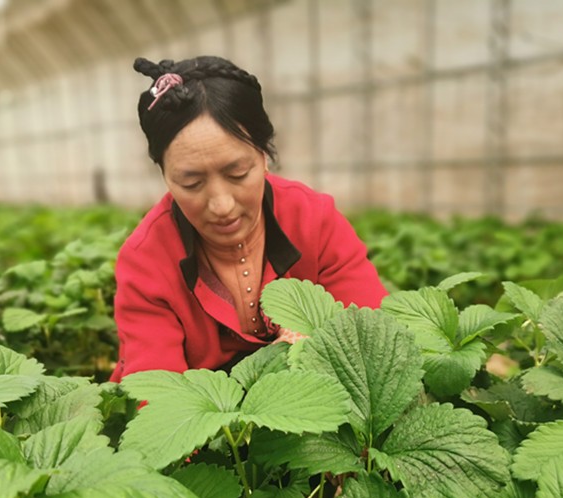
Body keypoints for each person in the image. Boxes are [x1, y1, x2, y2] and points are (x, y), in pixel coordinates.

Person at [109, 55, 388, 382]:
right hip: (205, 412)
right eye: (191, 183)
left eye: (238, 173)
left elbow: (373, 339)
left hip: (314, 397)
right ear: (165, 177)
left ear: (264, 155)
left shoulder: (313, 220)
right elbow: (156, 393)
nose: (222, 205)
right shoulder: (146, 260)